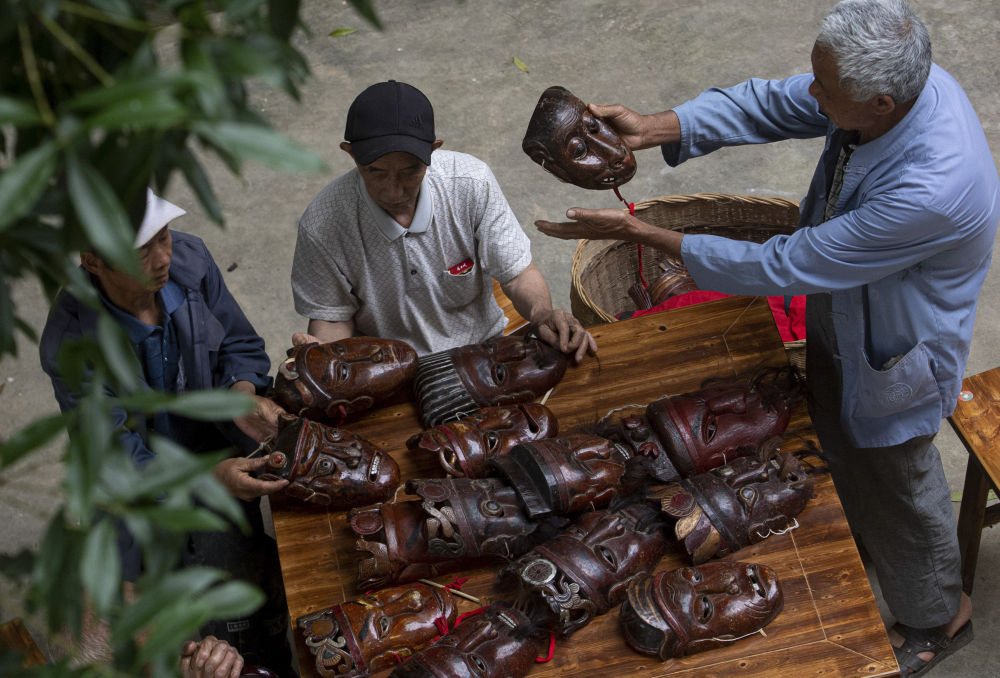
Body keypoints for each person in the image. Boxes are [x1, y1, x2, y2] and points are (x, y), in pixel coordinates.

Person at [535, 1, 999, 675]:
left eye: (828, 91)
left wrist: (648, 237)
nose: (812, 94)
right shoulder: (890, 90)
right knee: (841, 435)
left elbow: (788, 264)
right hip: (845, 304)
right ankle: (877, 543)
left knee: (897, 468)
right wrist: (657, 127)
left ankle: (938, 615)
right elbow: (779, 102)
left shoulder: (933, 183)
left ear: (882, 101)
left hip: (898, 345)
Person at [39, 190, 297, 677]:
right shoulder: (72, 346)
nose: (162, 259)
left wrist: (241, 394)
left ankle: (267, 650)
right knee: (200, 640)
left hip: (214, 450)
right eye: (141, 251)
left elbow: (240, 345)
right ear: (92, 260)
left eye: (164, 237)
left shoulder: (191, 261)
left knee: (253, 587)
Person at [290, 80, 596, 362]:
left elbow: (516, 274)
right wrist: (327, 359)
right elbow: (333, 316)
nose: (395, 191)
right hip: (382, 366)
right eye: (377, 172)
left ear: (433, 151)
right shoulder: (323, 224)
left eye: (410, 171)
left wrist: (543, 314)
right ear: (351, 155)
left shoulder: (470, 183)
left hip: (480, 347)